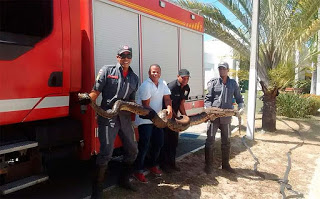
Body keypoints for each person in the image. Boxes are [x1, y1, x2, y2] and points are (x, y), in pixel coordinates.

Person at [79, 45, 139, 198]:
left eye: (128, 55)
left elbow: (132, 100)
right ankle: (97, 190)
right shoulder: (107, 71)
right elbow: (96, 91)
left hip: (125, 118)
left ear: (131, 58)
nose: (125, 58)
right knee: (106, 153)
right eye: (122, 55)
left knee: (133, 150)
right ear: (117, 57)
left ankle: (124, 179)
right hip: (108, 117)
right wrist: (87, 99)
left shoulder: (134, 78)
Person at [133, 64, 173, 183]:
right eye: (153, 72)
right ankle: (138, 170)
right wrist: (158, 118)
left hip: (157, 119)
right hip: (145, 119)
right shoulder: (146, 85)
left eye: (157, 72)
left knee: (159, 143)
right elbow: (146, 105)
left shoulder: (163, 83)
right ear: (149, 73)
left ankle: (152, 165)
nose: (155, 74)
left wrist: (169, 108)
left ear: (160, 73)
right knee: (144, 145)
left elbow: (167, 99)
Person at [204, 61, 244, 174]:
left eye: (224, 69)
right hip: (214, 117)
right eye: (220, 69)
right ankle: (208, 165)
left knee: (226, 141)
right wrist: (209, 110)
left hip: (226, 118)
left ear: (228, 70)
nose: (222, 71)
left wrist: (241, 107)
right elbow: (208, 99)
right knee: (210, 141)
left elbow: (239, 98)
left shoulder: (233, 84)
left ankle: (225, 165)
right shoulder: (213, 83)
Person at [160, 69, 190, 173]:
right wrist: (174, 118)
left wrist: (186, 117)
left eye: (187, 78)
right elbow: (168, 104)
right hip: (166, 117)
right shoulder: (171, 87)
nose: (185, 80)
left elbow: (181, 104)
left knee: (174, 142)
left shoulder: (186, 88)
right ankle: (164, 166)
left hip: (175, 118)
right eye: (183, 78)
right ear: (178, 76)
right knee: (165, 142)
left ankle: (172, 163)